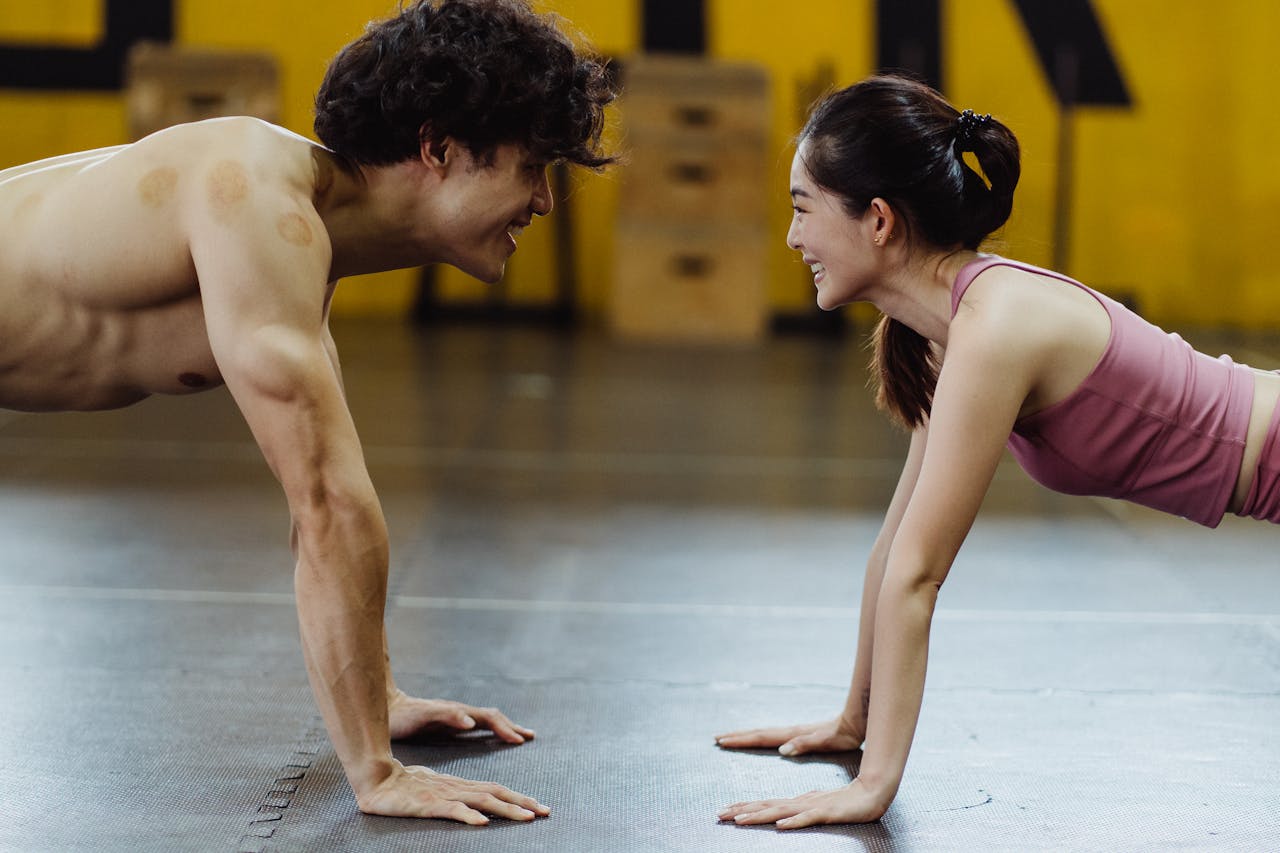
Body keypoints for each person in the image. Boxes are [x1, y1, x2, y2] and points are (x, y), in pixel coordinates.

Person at [0, 0, 613, 825]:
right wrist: (378, 771)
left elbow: (326, 500)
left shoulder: (299, 243)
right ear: (438, 148)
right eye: (531, 167)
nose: (542, 201)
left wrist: (376, 696)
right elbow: (326, 501)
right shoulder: (255, 200)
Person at [713, 74, 1280, 829]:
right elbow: (897, 543)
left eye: (801, 208)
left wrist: (873, 782)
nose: (791, 238)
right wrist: (853, 719)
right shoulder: (950, 332)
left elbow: (919, 575)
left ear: (877, 220)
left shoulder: (993, 326)